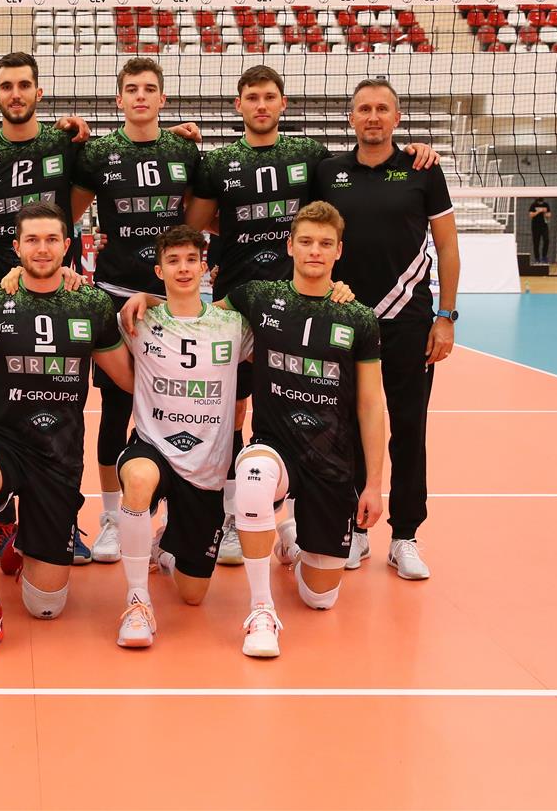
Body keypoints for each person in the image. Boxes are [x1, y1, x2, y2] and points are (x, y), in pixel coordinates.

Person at [186, 65, 438, 567]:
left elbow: (346, 193)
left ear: (284, 104)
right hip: (240, 299)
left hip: (300, 305)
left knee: (310, 410)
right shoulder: (219, 162)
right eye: (252, 97)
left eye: (270, 97)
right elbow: (198, 223)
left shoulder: (311, 157)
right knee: (232, 411)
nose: (261, 105)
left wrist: (411, 153)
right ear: (238, 105)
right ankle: (235, 515)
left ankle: (315, 521)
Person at [0, 202, 132, 660]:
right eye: (32, 240)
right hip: (3, 442)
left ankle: (24, 538)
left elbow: (127, 379)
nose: (42, 248)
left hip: (59, 456)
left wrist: (147, 305)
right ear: (16, 246)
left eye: (51, 240)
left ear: (67, 246)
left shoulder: (91, 303)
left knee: (45, 606)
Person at [222, 201, 385, 658]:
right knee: (252, 475)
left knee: (319, 598)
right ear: (290, 245)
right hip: (275, 446)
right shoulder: (259, 296)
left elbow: (371, 404)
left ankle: (293, 543)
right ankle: (261, 610)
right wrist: (147, 301)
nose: (315, 251)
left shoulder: (359, 317)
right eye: (307, 241)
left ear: (339, 251)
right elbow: (195, 317)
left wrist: (374, 484)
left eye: (325, 244)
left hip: (331, 459)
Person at [314, 78, 459, 580]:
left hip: (408, 322)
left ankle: (405, 536)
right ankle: (355, 529)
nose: (372, 116)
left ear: (397, 118)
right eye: (363, 109)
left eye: (382, 109)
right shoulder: (329, 172)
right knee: (346, 429)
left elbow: (447, 246)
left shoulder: (423, 169)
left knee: (409, 430)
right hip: (346, 320)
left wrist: (446, 317)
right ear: (351, 118)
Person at [0, 51, 96, 561]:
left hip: (58, 285)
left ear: (39, 92)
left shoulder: (64, 142)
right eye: (6, 86)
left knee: (62, 400)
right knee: (3, 399)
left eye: (24, 85)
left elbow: (77, 204)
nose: (15, 94)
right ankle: (4, 519)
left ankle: (62, 518)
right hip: (0, 287)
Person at [72, 56, 201, 564]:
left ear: (163, 98)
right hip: (112, 293)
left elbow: (197, 219)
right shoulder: (98, 153)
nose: (141, 96)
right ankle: (111, 516)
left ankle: (171, 516)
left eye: (150, 88)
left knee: (177, 408)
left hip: (171, 299)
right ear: (119, 99)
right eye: (132, 89)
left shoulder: (183, 149)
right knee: (114, 409)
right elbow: (67, 215)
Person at [112, 225, 252, 647]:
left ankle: (166, 548)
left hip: (206, 465)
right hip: (152, 446)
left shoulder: (232, 325)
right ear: (159, 270)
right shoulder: (138, 320)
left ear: (205, 268)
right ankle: (137, 602)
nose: (184, 268)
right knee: (139, 479)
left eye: (192, 260)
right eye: (173, 261)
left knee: (193, 594)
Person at [529, 197, 552, 264]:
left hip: (544, 226)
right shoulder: (533, 205)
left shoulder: (546, 204)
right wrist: (538, 211)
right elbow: (531, 215)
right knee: (536, 242)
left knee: (546, 240)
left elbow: (549, 215)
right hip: (535, 226)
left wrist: (544, 212)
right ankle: (537, 259)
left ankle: (544, 257)